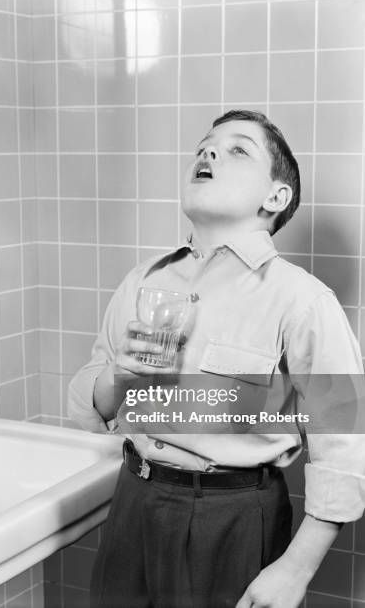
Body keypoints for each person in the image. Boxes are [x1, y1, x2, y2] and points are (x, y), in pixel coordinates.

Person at [68, 110, 365, 608]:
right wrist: (119, 376)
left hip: (231, 520)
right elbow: (89, 405)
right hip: (132, 503)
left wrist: (295, 570)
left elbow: (347, 448)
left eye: (237, 150)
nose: (208, 153)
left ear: (276, 197)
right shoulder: (141, 282)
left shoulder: (303, 301)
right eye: (205, 145)